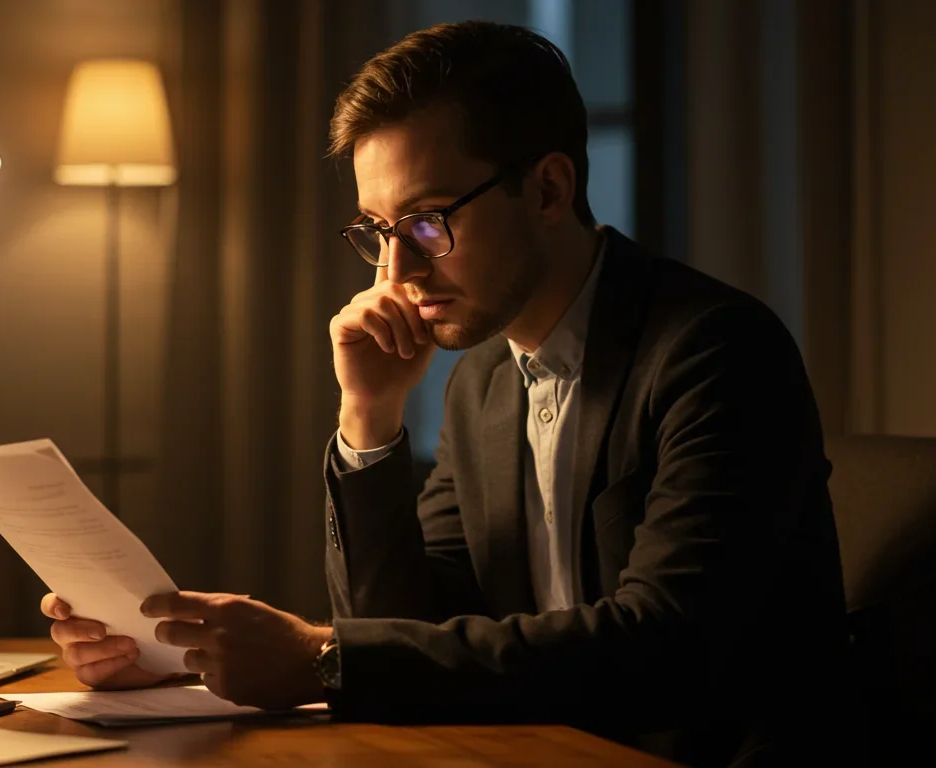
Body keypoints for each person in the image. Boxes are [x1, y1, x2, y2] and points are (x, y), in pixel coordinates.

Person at [41, 20, 852, 767]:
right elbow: (412, 626)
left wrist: (324, 658)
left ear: (547, 190)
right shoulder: (486, 382)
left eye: (428, 221)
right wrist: (369, 419)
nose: (398, 274)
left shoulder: (715, 349)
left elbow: (667, 647)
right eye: (378, 231)